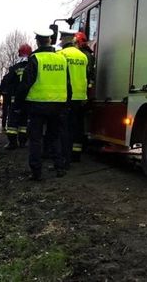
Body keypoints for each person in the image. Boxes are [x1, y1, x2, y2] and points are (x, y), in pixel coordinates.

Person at [16, 29, 68, 180]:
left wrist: (18, 104)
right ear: (51, 40)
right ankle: (59, 167)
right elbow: (68, 83)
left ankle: (36, 172)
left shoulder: (35, 58)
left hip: (37, 105)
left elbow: (26, 83)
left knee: (36, 139)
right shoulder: (61, 59)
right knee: (55, 137)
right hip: (58, 104)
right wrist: (67, 102)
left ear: (38, 41)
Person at [58, 29, 89, 167]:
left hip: (66, 96)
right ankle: (77, 154)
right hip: (81, 96)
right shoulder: (83, 56)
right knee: (77, 127)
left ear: (64, 40)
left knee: (65, 128)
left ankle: (66, 156)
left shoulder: (61, 55)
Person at [4, 43, 32, 150]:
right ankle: (23, 142)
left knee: (12, 122)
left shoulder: (15, 67)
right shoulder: (32, 65)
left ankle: (12, 143)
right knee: (24, 122)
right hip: (28, 99)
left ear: (19, 53)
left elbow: (8, 82)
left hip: (15, 99)